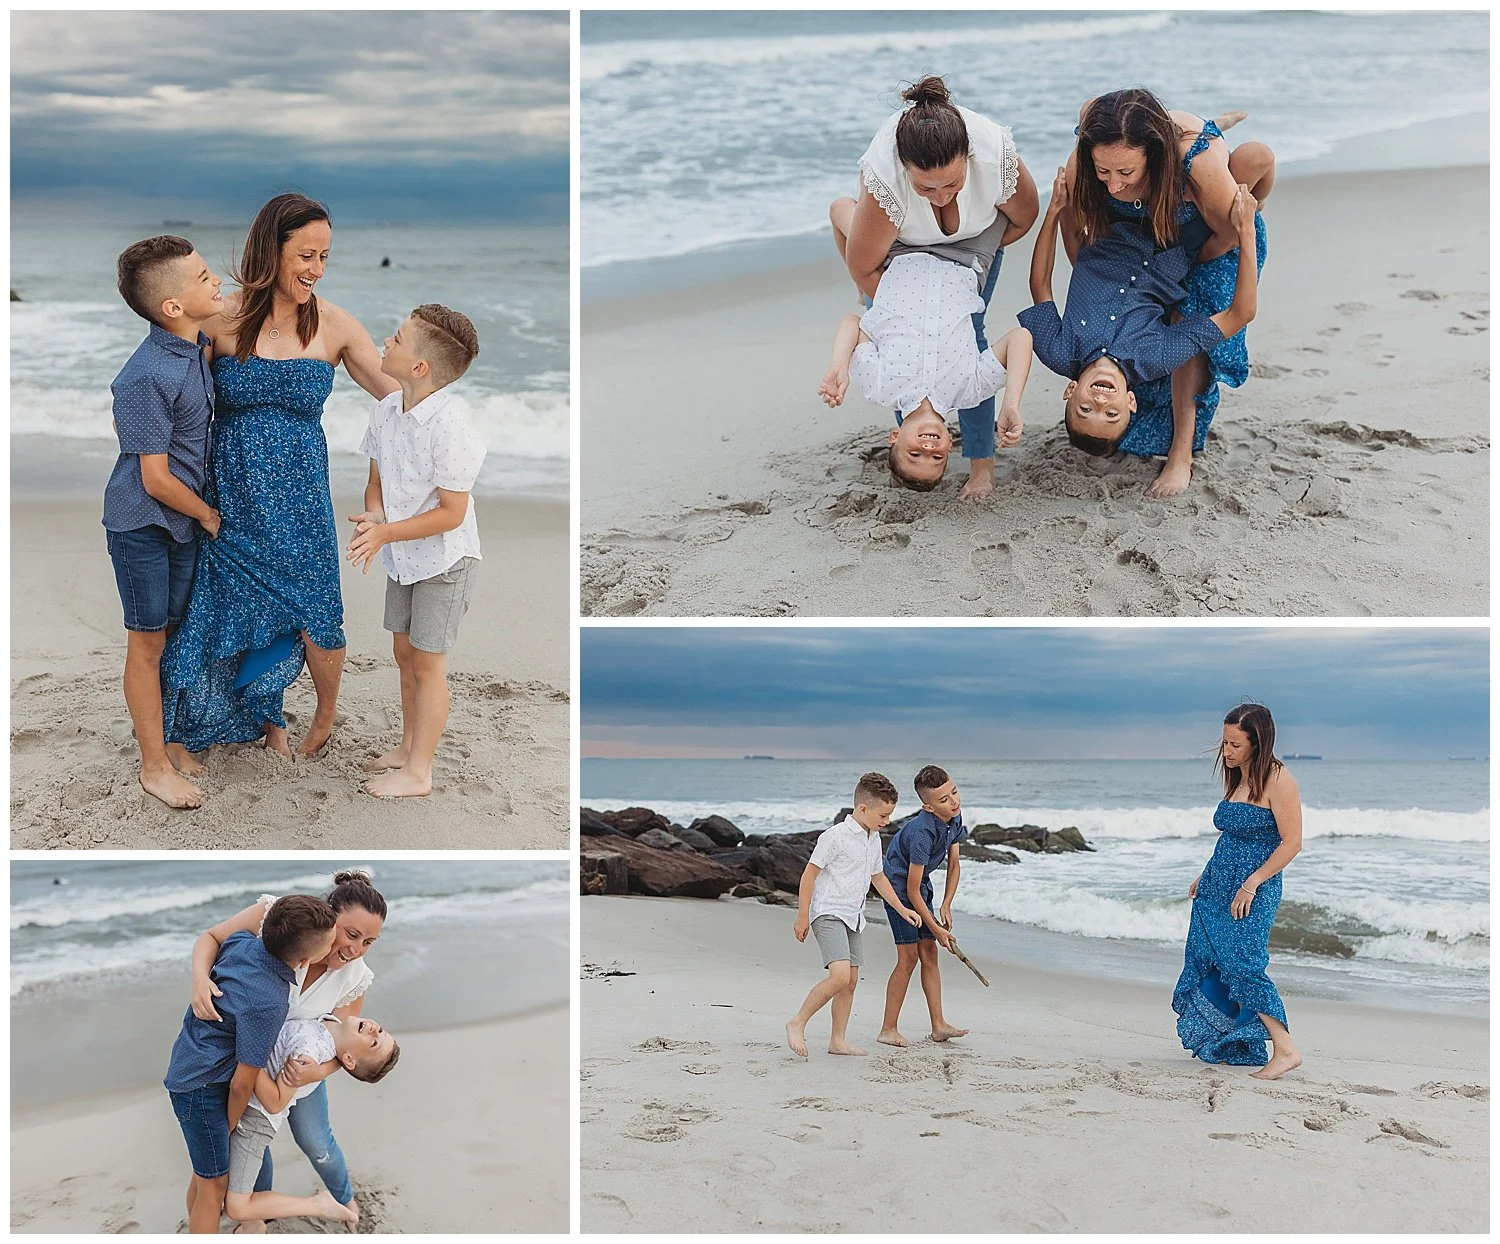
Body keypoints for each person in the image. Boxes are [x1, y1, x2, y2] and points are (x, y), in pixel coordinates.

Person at [162, 193, 398, 761]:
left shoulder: (335, 325)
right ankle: (259, 718)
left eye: (324, 258)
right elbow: (171, 392)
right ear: (272, 249)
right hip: (233, 494)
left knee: (317, 606)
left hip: (301, 498)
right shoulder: (221, 318)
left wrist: (378, 493)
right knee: (227, 604)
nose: (316, 270)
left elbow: (400, 409)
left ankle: (322, 719)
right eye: (306, 256)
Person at [836, 75, 1040, 500]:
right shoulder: (886, 179)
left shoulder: (993, 154)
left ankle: (981, 468)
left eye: (952, 183)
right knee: (846, 217)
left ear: (970, 158)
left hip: (960, 256)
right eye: (926, 187)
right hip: (908, 251)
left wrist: (975, 257)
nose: (943, 197)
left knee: (916, 336)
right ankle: (981, 464)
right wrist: (884, 302)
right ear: (904, 172)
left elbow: (1023, 217)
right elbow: (862, 267)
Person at [1066, 90, 1276, 496]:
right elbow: (1084, 239)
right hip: (1141, 239)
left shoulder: (1193, 161)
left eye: (1125, 172)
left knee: (1188, 316)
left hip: (1209, 239)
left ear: (1155, 154)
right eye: (1103, 171)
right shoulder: (1092, 155)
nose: (1111, 185)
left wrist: (1179, 275)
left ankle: (1181, 454)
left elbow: (1228, 236)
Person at [191, 871, 386, 1229]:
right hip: (244, 1059)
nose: (356, 949)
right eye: (352, 934)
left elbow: (342, 1046)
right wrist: (200, 981)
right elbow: (213, 937)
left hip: (299, 1070)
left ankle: (344, 1199)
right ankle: (254, 1216)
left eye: (369, 942)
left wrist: (317, 1072)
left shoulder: (355, 977)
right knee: (249, 1139)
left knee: (315, 1140)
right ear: (329, 917)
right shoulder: (277, 919)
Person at [1021, 169, 1259, 464]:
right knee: (1256, 159)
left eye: (1085, 409)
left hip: (1110, 223)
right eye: (1111, 413)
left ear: (1071, 391)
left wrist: (1055, 210)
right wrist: (1246, 231)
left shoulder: (1058, 352)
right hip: (1173, 237)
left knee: (1081, 160)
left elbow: (1040, 284)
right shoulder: (1154, 359)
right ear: (1130, 402)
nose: (1100, 402)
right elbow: (1241, 313)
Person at [103, 236, 224, 809]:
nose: (216, 282)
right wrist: (206, 514)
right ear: (171, 307)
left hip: (180, 525)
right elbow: (153, 477)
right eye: (203, 278)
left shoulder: (197, 349)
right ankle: (153, 765)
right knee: (147, 639)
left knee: (174, 629)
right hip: (143, 523)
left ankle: (169, 739)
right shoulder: (142, 376)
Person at [346, 305, 486, 798]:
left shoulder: (452, 426)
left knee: (428, 663)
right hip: (403, 556)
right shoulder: (385, 410)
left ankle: (419, 772)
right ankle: (408, 746)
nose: (386, 341)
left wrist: (387, 534)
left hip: (445, 561)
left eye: (398, 338)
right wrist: (375, 519)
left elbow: (451, 513)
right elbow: (375, 484)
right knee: (403, 652)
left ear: (420, 366)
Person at [819, 205, 1034, 492]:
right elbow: (1020, 338)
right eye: (937, 456)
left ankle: (862, 286)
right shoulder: (970, 391)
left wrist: (838, 365)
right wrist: (1011, 403)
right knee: (1019, 210)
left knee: (839, 209)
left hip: (898, 253)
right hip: (967, 256)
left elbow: (852, 323)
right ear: (950, 445)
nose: (928, 447)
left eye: (915, 453)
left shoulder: (879, 388)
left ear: (894, 436)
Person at [164, 894, 338, 1234]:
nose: (331, 949)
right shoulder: (270, 1001)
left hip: (188, 1062)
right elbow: (243, 1082)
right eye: (328, 944)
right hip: (202, 1087)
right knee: (214, 1187)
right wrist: (228, 1126)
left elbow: (215, 940)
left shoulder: (243, 942)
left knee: (205, 1177)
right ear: (305, 959)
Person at [1173, 703, 1304, 1079]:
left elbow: (1291, 843)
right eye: (1225, 743)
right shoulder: (1240, 776)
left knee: (1242, 964)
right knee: (1212, 959)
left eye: (1234, 744)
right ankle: (1234, 1041)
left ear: (1257, 743)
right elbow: (1233, 838)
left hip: (1252, 888)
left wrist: (1250, 884)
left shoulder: (1279, 780)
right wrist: (1206, 873)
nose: (1226, 751)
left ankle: (1286, 1049)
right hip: (1217, 885)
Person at [786, 773, 922, 1058]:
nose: (887, 822)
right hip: (827, 912)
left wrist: (903, 909)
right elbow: (809, 875)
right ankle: (797, 1022)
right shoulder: (835, 836)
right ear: (863, 809)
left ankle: (838, 1041)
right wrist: (802, 916)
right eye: (883, 815)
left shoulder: (873, 839)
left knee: (849, 981)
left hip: (853, 916)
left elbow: (879, 878)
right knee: (839, 976)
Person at [223, 1013, 399, 1229]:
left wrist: (248, 1050)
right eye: (380, 1031)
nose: (375, 1029)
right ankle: (257, 1219)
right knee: (249, 1177)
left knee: (237, 1205)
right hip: (251, 1106)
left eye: (374, 1043)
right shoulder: (330, 1023)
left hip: (257, 1117)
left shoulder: (307, 1051)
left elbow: (276, 1102)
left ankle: (325, 1203)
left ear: (350, 1060)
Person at [877, 765, 971, 1048]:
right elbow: (910, 891)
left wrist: (946, 904)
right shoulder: (921, 834)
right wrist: (937, 929)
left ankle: (939, 1025)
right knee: (908, 959)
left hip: (920, 887)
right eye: (943, 799)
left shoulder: (954, 817)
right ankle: (888, 1029)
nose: (953, 801)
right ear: (928, 807)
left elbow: (954, 865)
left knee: (929, 953)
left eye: (953, 792)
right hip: (898, 891)